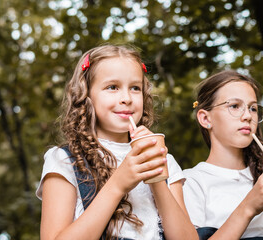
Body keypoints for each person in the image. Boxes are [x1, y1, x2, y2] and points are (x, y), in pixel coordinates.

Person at [36, 44, 198, 240]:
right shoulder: (65, 160)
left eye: (135, 88)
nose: (127, 98)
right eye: (112, 87)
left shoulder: (165, 160)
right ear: (86, 96)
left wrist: (156, 179)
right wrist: (118, 185)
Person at [183, 70, 263, 240]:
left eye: (253, 108)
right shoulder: (191, 182)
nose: (247, 116)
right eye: (234, 106)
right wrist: (249, 206)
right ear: (205, 119)